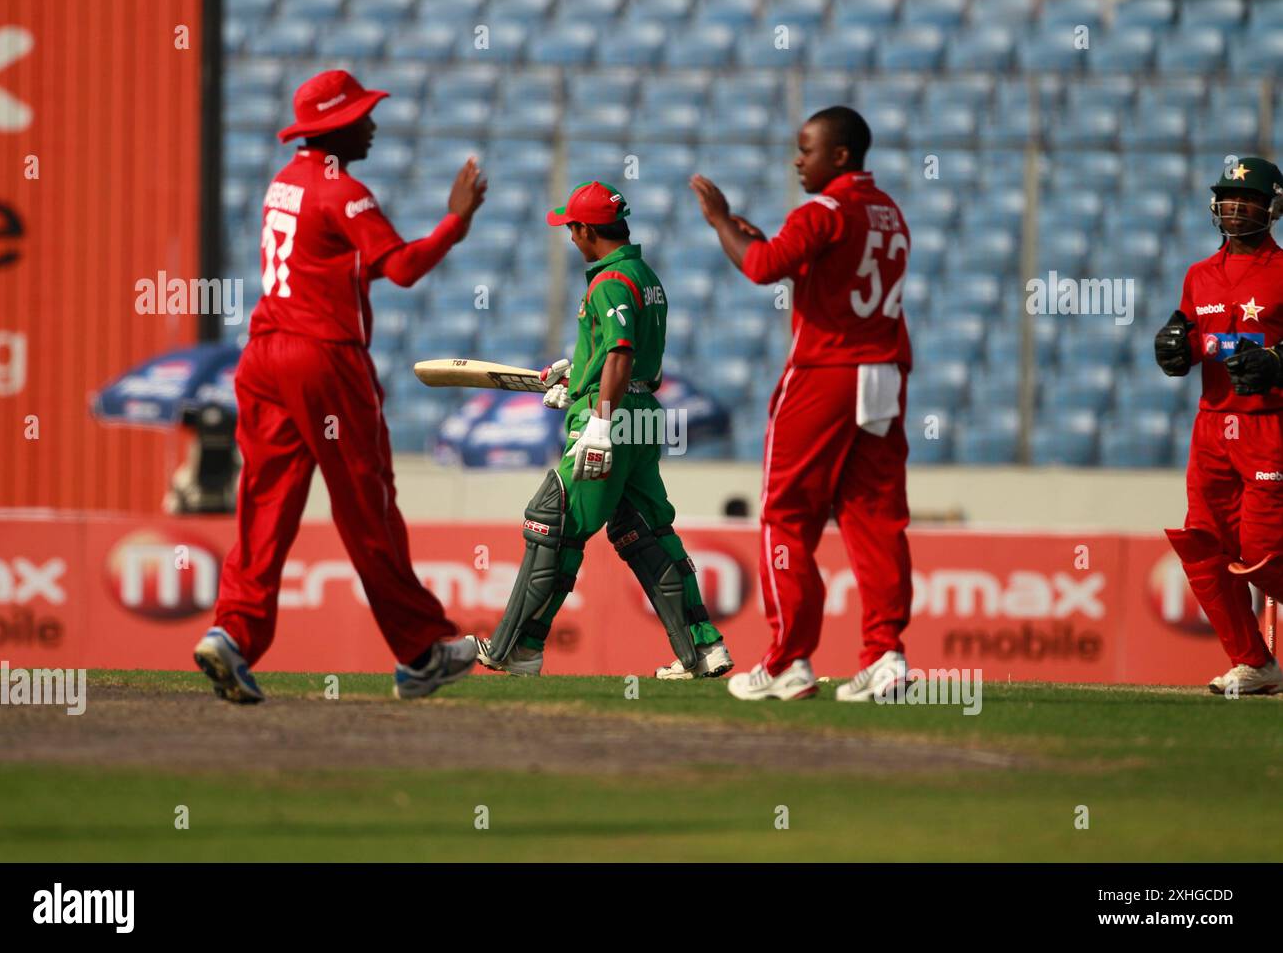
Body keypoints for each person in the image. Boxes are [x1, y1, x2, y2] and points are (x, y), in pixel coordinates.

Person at [194, 70, 487, 703]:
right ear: (336, 128)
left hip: (263, 357)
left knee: (264, 506)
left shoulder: (285, 184)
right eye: (362, 116)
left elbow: (327, 265)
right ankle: (420, 651)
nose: (373, 125)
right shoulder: (344, 192)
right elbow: (402, 268)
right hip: (323, 360)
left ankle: (233, 635)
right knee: (366, 505)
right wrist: (454, 223)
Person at [690, 106, 913, 702]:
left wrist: (720, 223)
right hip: (885, 370)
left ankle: (789, 660)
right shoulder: (890, 213)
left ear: (839, 156)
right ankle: (885, 655)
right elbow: (826, 275)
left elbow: (762, 268)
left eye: (806, 149)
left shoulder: (823, 210)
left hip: (825, 373)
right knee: (875, 516)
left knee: (785, 515)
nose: (797, 159)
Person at [470, 181, 732, 680]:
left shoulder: (608, 282)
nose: (569, 237)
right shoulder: (646, 277)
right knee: (646, 534)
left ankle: (513, 650)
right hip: (641, 415)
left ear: (587, 229)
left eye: (571, 228)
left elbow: (620, 353)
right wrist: (578, 374)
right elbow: (640, 368)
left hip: (609, 421)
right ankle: (703, 648)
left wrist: (596, 423)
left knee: (552, 523)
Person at [1155, 155, 1283, 695]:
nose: (1235, 207)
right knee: (1203, 547)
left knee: (1259, 551)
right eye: (1228, 198)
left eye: (1247, 199)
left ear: (1271, 207)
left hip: (1268, 428)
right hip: (1211, 429)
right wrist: (1170, 348)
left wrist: (1277, 362)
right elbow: (1187, 332)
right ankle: (1255, 663)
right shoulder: (1198, 274)